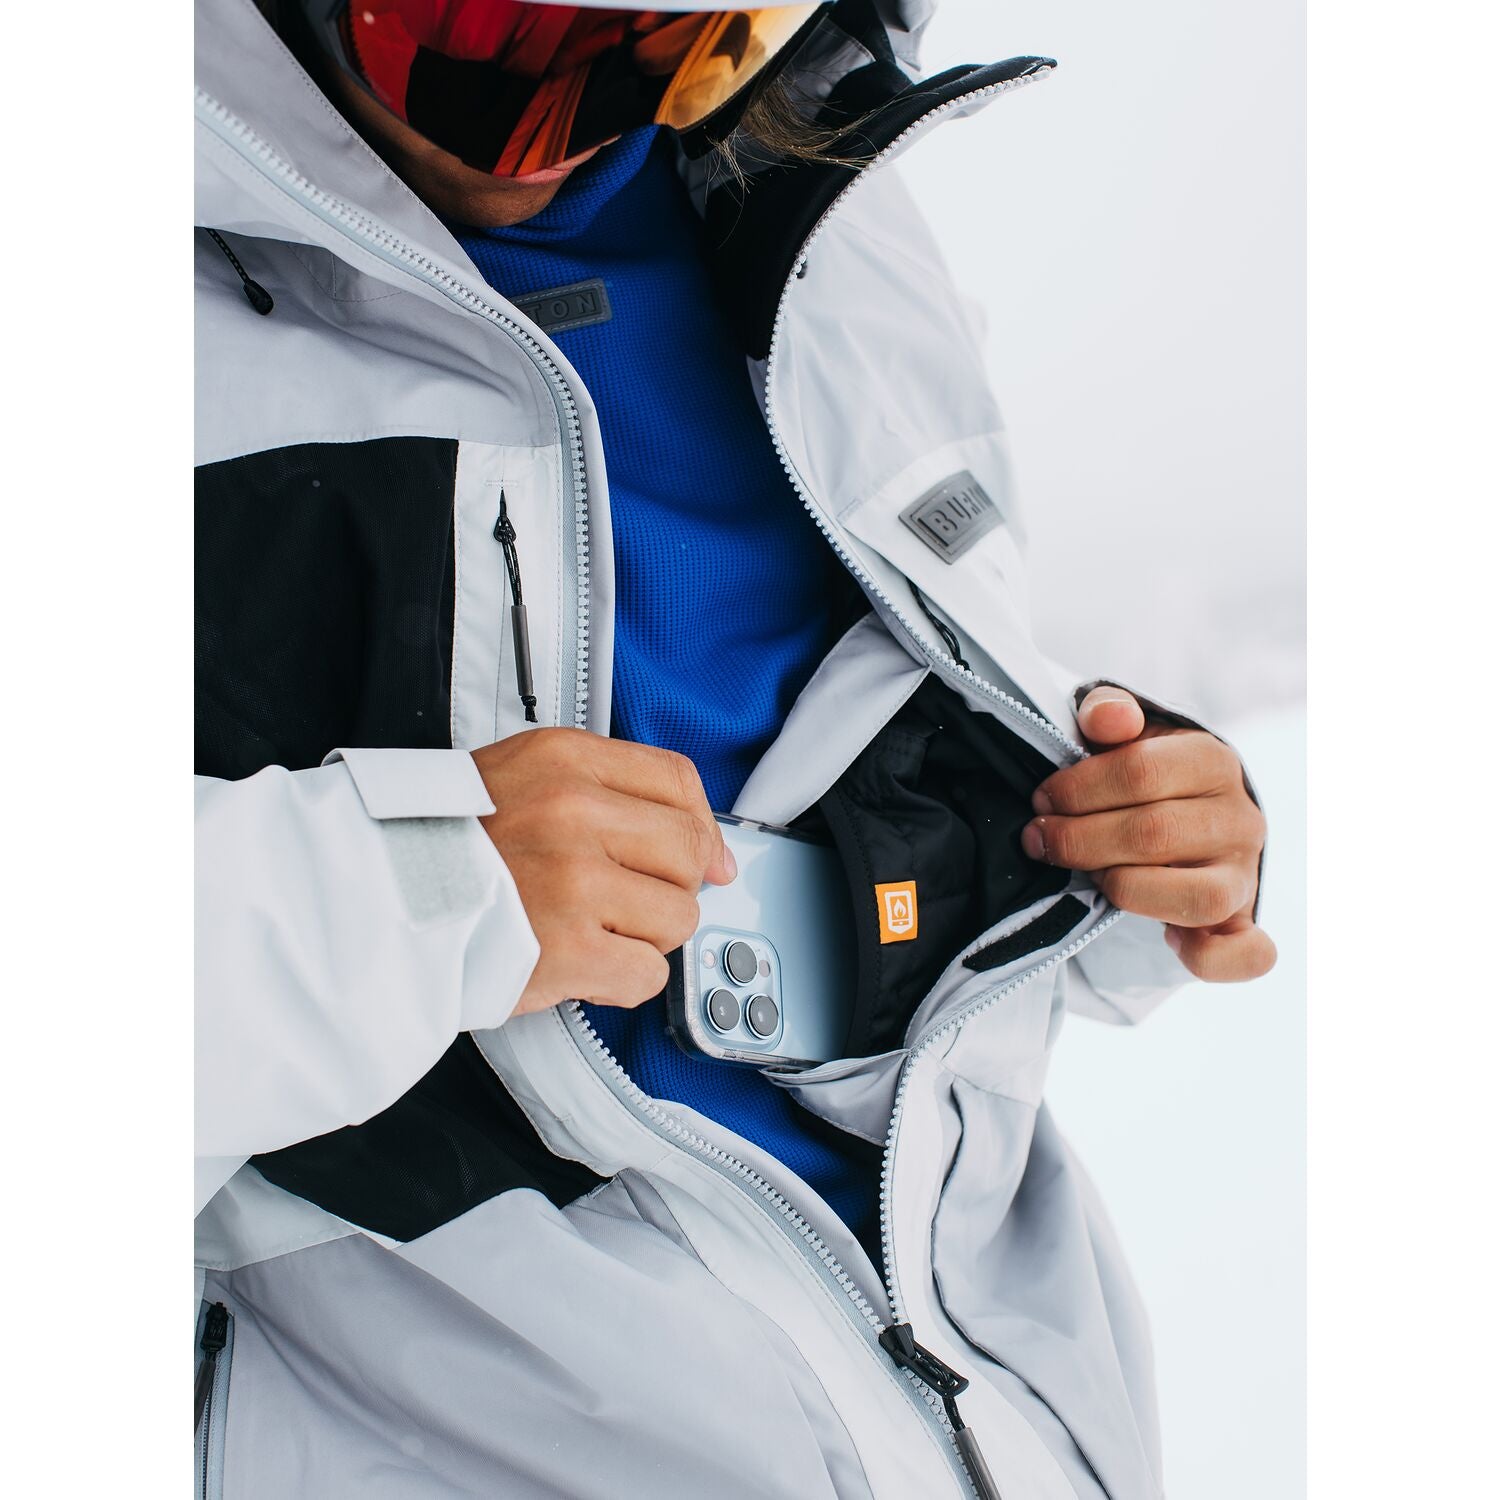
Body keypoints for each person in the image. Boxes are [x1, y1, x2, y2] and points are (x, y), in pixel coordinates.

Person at [194, 2, 1274, 1496]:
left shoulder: (828, 214)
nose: (585, 126)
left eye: (685, 34)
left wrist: (1122, 843)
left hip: (1004, 1420)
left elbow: (894, 751)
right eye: (506, 46)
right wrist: (415, 892)